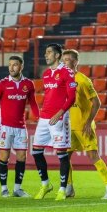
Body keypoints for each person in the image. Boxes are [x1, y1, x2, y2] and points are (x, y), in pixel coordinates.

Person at [62, 49, 107, 199]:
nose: (65, 62)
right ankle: (69, 188)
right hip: (69, 126)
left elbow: (97, 102)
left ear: (75, 62)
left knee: (93, 156)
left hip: (83, 125)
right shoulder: (62, 80)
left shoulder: (83, 80)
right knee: (65, 157)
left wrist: (88, 122)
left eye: (68, 59)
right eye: (63, 59)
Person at [0, 55, 40, 198]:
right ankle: (4, 188)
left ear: (21, 67)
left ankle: (17, 188)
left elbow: (33, 104)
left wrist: (40, 119)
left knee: (22, 156)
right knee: (4, 156)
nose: (11, 67)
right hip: (5, 126)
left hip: (21, 127)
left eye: (15, 65)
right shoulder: (2, 84)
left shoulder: (28, 84)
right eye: (10, 65)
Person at [32, 43, 76, 201]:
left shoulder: (67, 72)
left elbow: (72, 97)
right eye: (45, 52)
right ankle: (45, 184)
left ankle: (62, 189)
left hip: (59, 118)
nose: (46, 55)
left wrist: (60, 113)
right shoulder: (45, 74)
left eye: (49, 52)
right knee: (36, 151)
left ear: (57, 55)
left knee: (61, 154)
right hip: (44, 118)